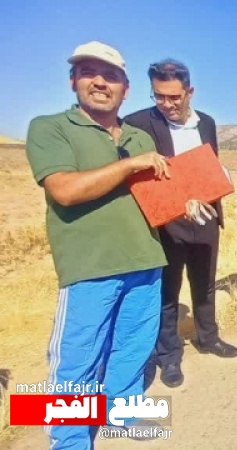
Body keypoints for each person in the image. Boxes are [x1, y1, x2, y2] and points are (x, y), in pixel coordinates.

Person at [25, 41, 171, 448]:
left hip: (145, 259)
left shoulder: (141, 137)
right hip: (90, 267)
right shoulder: (50, 127)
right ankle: (70, 439)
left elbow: (158, 200)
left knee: (133, 348)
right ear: (73, 80)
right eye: (89, 72)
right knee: (78, 359)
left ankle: (120, 414)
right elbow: (64, 190)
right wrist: (129, 165)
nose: (100, 82)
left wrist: (190, 200)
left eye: (111, 76)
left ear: (126, 88)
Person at [123, 59, 237, 389]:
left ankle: (208, 337)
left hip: (205, 218)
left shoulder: (207, 124)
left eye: (174, 97)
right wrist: (176, 203)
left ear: (190, 91)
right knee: (167, 290)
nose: (166, 104)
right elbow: (140, 178)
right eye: (159, 96)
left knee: (205, 283)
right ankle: (169, 355)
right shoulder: (138, 123)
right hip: (167, 223)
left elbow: (208, 166)